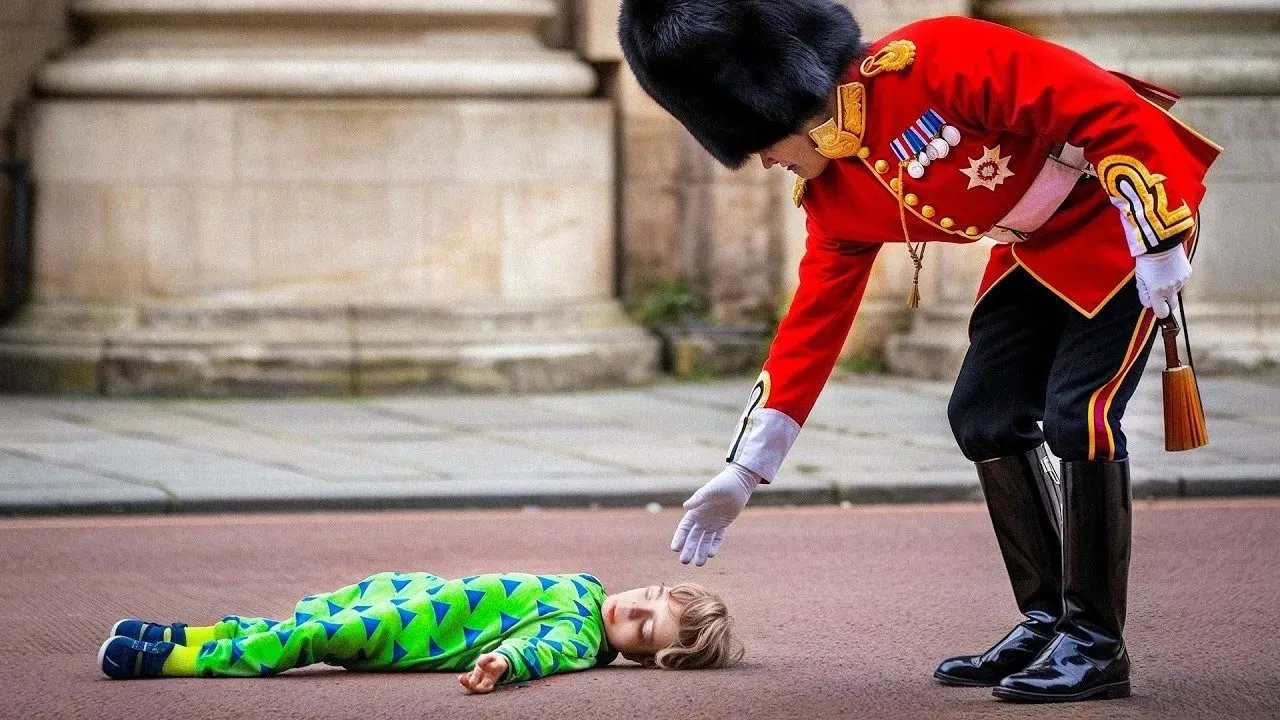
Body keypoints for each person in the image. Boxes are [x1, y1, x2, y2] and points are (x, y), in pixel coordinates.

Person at [619, 0, 1220, 705]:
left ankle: (1095, 642)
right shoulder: (835, 190)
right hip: (1037, 246)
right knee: (983, 416)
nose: (767, 161)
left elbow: (1104, 107)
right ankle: (1048, 616)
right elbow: (814, 322)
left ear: (785, 105)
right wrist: (745, 470)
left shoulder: (933, 58)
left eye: (764, 147)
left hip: (1123, 215)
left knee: (1078, 415)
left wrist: (1153, 236)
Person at [97, 571, 741, 692]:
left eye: (645, 627)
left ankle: (166, 662)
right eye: (647, 597)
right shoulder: (590, 588)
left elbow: (532, 649)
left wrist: (502, 667)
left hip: (406, 635)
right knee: (296, 624)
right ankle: (185, 635)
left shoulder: (580, 642)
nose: (630, 610)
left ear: (649, 659)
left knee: (301, 642)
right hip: (410, 593)